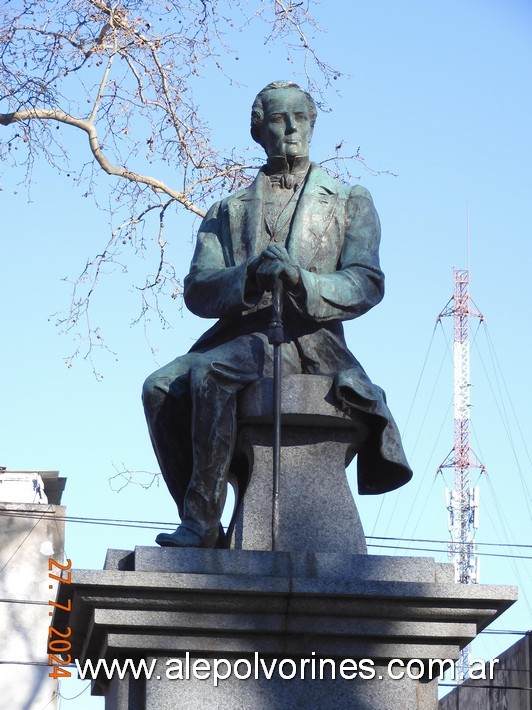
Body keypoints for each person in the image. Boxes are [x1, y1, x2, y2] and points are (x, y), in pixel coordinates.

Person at [142, 80, 412, 548]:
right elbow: (198, 290)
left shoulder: (349, 200)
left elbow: (366, 282)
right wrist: (248, 275)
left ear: (312, 125)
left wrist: (302, 280)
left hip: (309, 341)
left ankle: (201, 521)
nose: (289, 128)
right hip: (241, 335)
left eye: (299, 118)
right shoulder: (225, 211)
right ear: (257, 129)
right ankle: (203, 519)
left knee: (212, 372)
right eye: (276, 118)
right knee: (159, 387)